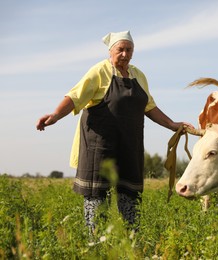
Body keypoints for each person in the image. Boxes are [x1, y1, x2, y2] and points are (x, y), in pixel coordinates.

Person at [36, 30, 191, 232]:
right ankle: (96, 243)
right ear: (111, 51)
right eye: (120, 50)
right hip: (99, 146)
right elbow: (75, 96)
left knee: (130, 197)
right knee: (97, 199)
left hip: (129, 145)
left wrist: (172, 124)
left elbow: (149, 107)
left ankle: (132, 241)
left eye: (129, 50)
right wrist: (55, 115)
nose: (125, 54)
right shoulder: (99, 71)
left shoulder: (139, 76)